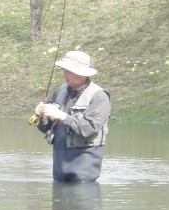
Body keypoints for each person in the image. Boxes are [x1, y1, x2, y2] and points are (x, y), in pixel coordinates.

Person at [33, 50, 111, 183]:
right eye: (64, 70)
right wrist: (41, 115)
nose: (64, 74)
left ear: (81, 73)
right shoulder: (61, 91)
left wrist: (62, 116)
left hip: (83, 177)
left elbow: (90, 129)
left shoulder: (99, 96)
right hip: (58, 174)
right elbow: (46, 128)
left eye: (68, 71)